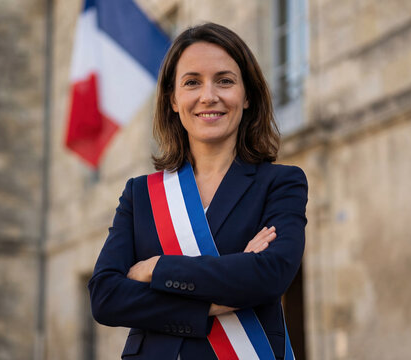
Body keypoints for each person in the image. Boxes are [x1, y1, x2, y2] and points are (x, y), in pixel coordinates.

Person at [88, 22, 308, 359]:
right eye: (192, 82)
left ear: (246, 95)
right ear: (173, 100)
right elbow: (105, 297)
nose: (209, 96)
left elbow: (270, 275)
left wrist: (157, 268)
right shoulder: (141, 195)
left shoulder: (280, 184)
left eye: (224, 81)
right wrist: (221, 293)